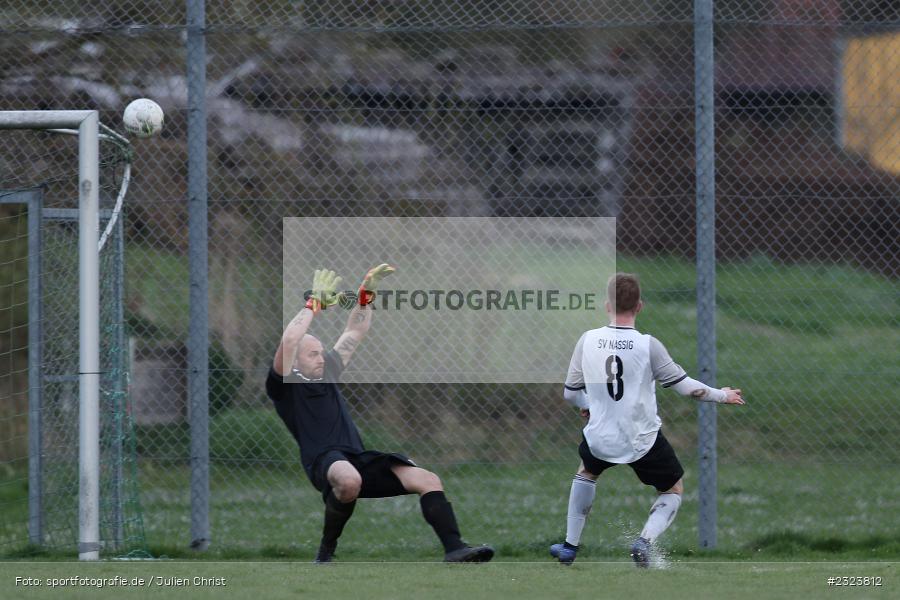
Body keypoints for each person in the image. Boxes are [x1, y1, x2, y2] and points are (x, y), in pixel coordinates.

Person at [265, 264, 494, 563]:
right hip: (324, 459)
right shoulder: (284, 386)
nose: (321, 357)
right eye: (313, 354)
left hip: (357, 457)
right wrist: (313, 305)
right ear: (296, 361)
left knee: (427, 479)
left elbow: (355, 330)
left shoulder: (329, 370)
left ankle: (455, 549)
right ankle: (326, 552)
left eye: (321, 352)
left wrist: (366, 295)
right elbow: (290, 340)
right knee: (348, 481)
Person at [549, 272, 745, 566]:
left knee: (587, 472)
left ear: (606, 306)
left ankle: (569, 547)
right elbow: (687, 388)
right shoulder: (648, 345)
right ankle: (644, 542)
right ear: (639, 306)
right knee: (673, 488)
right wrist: (722, 395)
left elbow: (570, 393)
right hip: (641, 439)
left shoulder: (587, 340)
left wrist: (587, 404)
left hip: (600, 437)